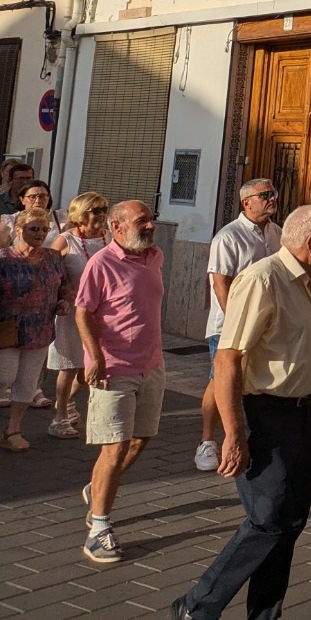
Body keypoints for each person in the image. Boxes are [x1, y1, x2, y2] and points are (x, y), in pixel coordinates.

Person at [170, 205, 311, 620]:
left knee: (292, 519)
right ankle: (196, 606)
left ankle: (264, 615)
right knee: (266, 519)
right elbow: (227, 360)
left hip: (302, 413)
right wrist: (233, 434)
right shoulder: (263, 279)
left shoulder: (308, 281)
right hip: (263, 413)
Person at [76, 200, 166, 563]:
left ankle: (97, 487)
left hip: (152, 365)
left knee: (141, 439)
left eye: (151, 219)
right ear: (117, 227)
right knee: (113, 448)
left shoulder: (155, 256)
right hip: (114, 368)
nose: (150, 225)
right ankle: (99, 529)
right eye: (142, 220)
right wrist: (95, 356)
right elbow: (82, 312)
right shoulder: (102, 263)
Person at [196, 179, 282, 472]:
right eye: (265, 195)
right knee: (218, 379)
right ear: (247, 202)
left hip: (264, 323)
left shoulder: (275, 232)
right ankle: (207, 441)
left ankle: (246, 436)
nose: (272, 199)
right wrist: (235, 320)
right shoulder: (228, 237)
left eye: (274, 194)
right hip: (229, 325)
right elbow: (220, 282)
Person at [0, 207, 70, 449]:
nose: (41, 233)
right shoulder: (3, 259)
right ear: (18, 230)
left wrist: (63, 301)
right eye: (34, 229)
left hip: (40, 331)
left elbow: (64, 287)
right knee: (3, 378)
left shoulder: (53, 258)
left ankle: (13, 431)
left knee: (27, 384)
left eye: (44, 229)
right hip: (7, 331)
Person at [46, 193, 110, 439]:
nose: (100, 215)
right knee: (70, 365)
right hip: (74, 311)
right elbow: (50, 273)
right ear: (80, 213)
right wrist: (64, 291)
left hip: (102, 312)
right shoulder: (66, 240)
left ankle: (68, 402)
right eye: (94, 210)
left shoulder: (109, 238)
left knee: (90, 366)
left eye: (103, 210)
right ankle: (59, 416)